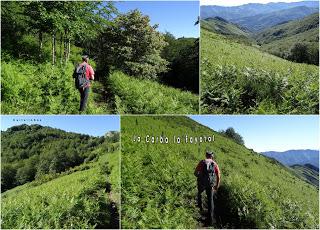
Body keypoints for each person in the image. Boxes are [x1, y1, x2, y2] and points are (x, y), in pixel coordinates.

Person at [194, 151, 221, 225]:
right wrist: (216, 185)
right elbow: (218, 176)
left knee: (199, 193)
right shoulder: (214, 164)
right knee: (210, 200)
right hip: (210, 184)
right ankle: (210, 220)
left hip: (202, 183)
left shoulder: (202, 162)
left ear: (206, 156)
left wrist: (200, 178)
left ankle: (200, 208)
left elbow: (195, 173)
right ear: (212, 156)